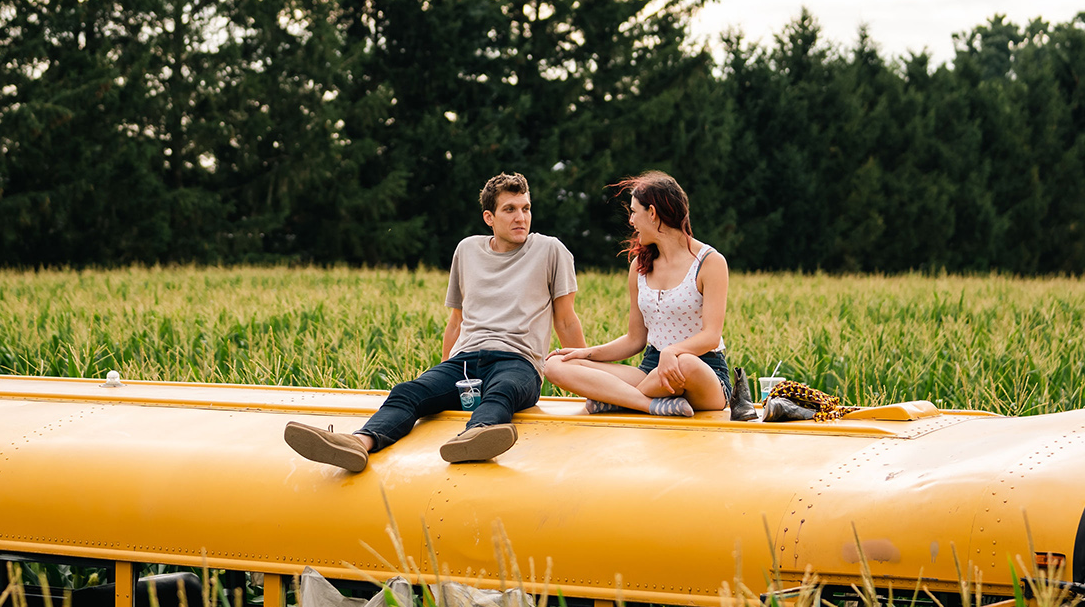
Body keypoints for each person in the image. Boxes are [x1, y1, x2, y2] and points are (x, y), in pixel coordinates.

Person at [284, 172, 584, 471]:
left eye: (526, 208)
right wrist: (443, 373)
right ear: (489, 217)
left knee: (502, 389)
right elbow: (456, 321)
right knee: (407, 391)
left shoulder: (549, 250)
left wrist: (587, 383)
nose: (521, 217)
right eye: (510, 209)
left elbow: (566, 321)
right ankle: (357, 443)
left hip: (518, 363)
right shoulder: (467, 250)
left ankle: (476, 436)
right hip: (464, 362)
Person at [542, 172, 754, 420]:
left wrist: (672, 352)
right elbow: (635, 340)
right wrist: (585, 353)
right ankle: (647, 404)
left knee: (684, 363)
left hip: (702, 370)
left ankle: (617, 399)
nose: (631, 220)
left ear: (652, 213)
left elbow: (711, 335)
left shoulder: (710, 262)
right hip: (651, 372)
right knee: (556, 365)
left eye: (634, 212)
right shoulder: (639, 267)